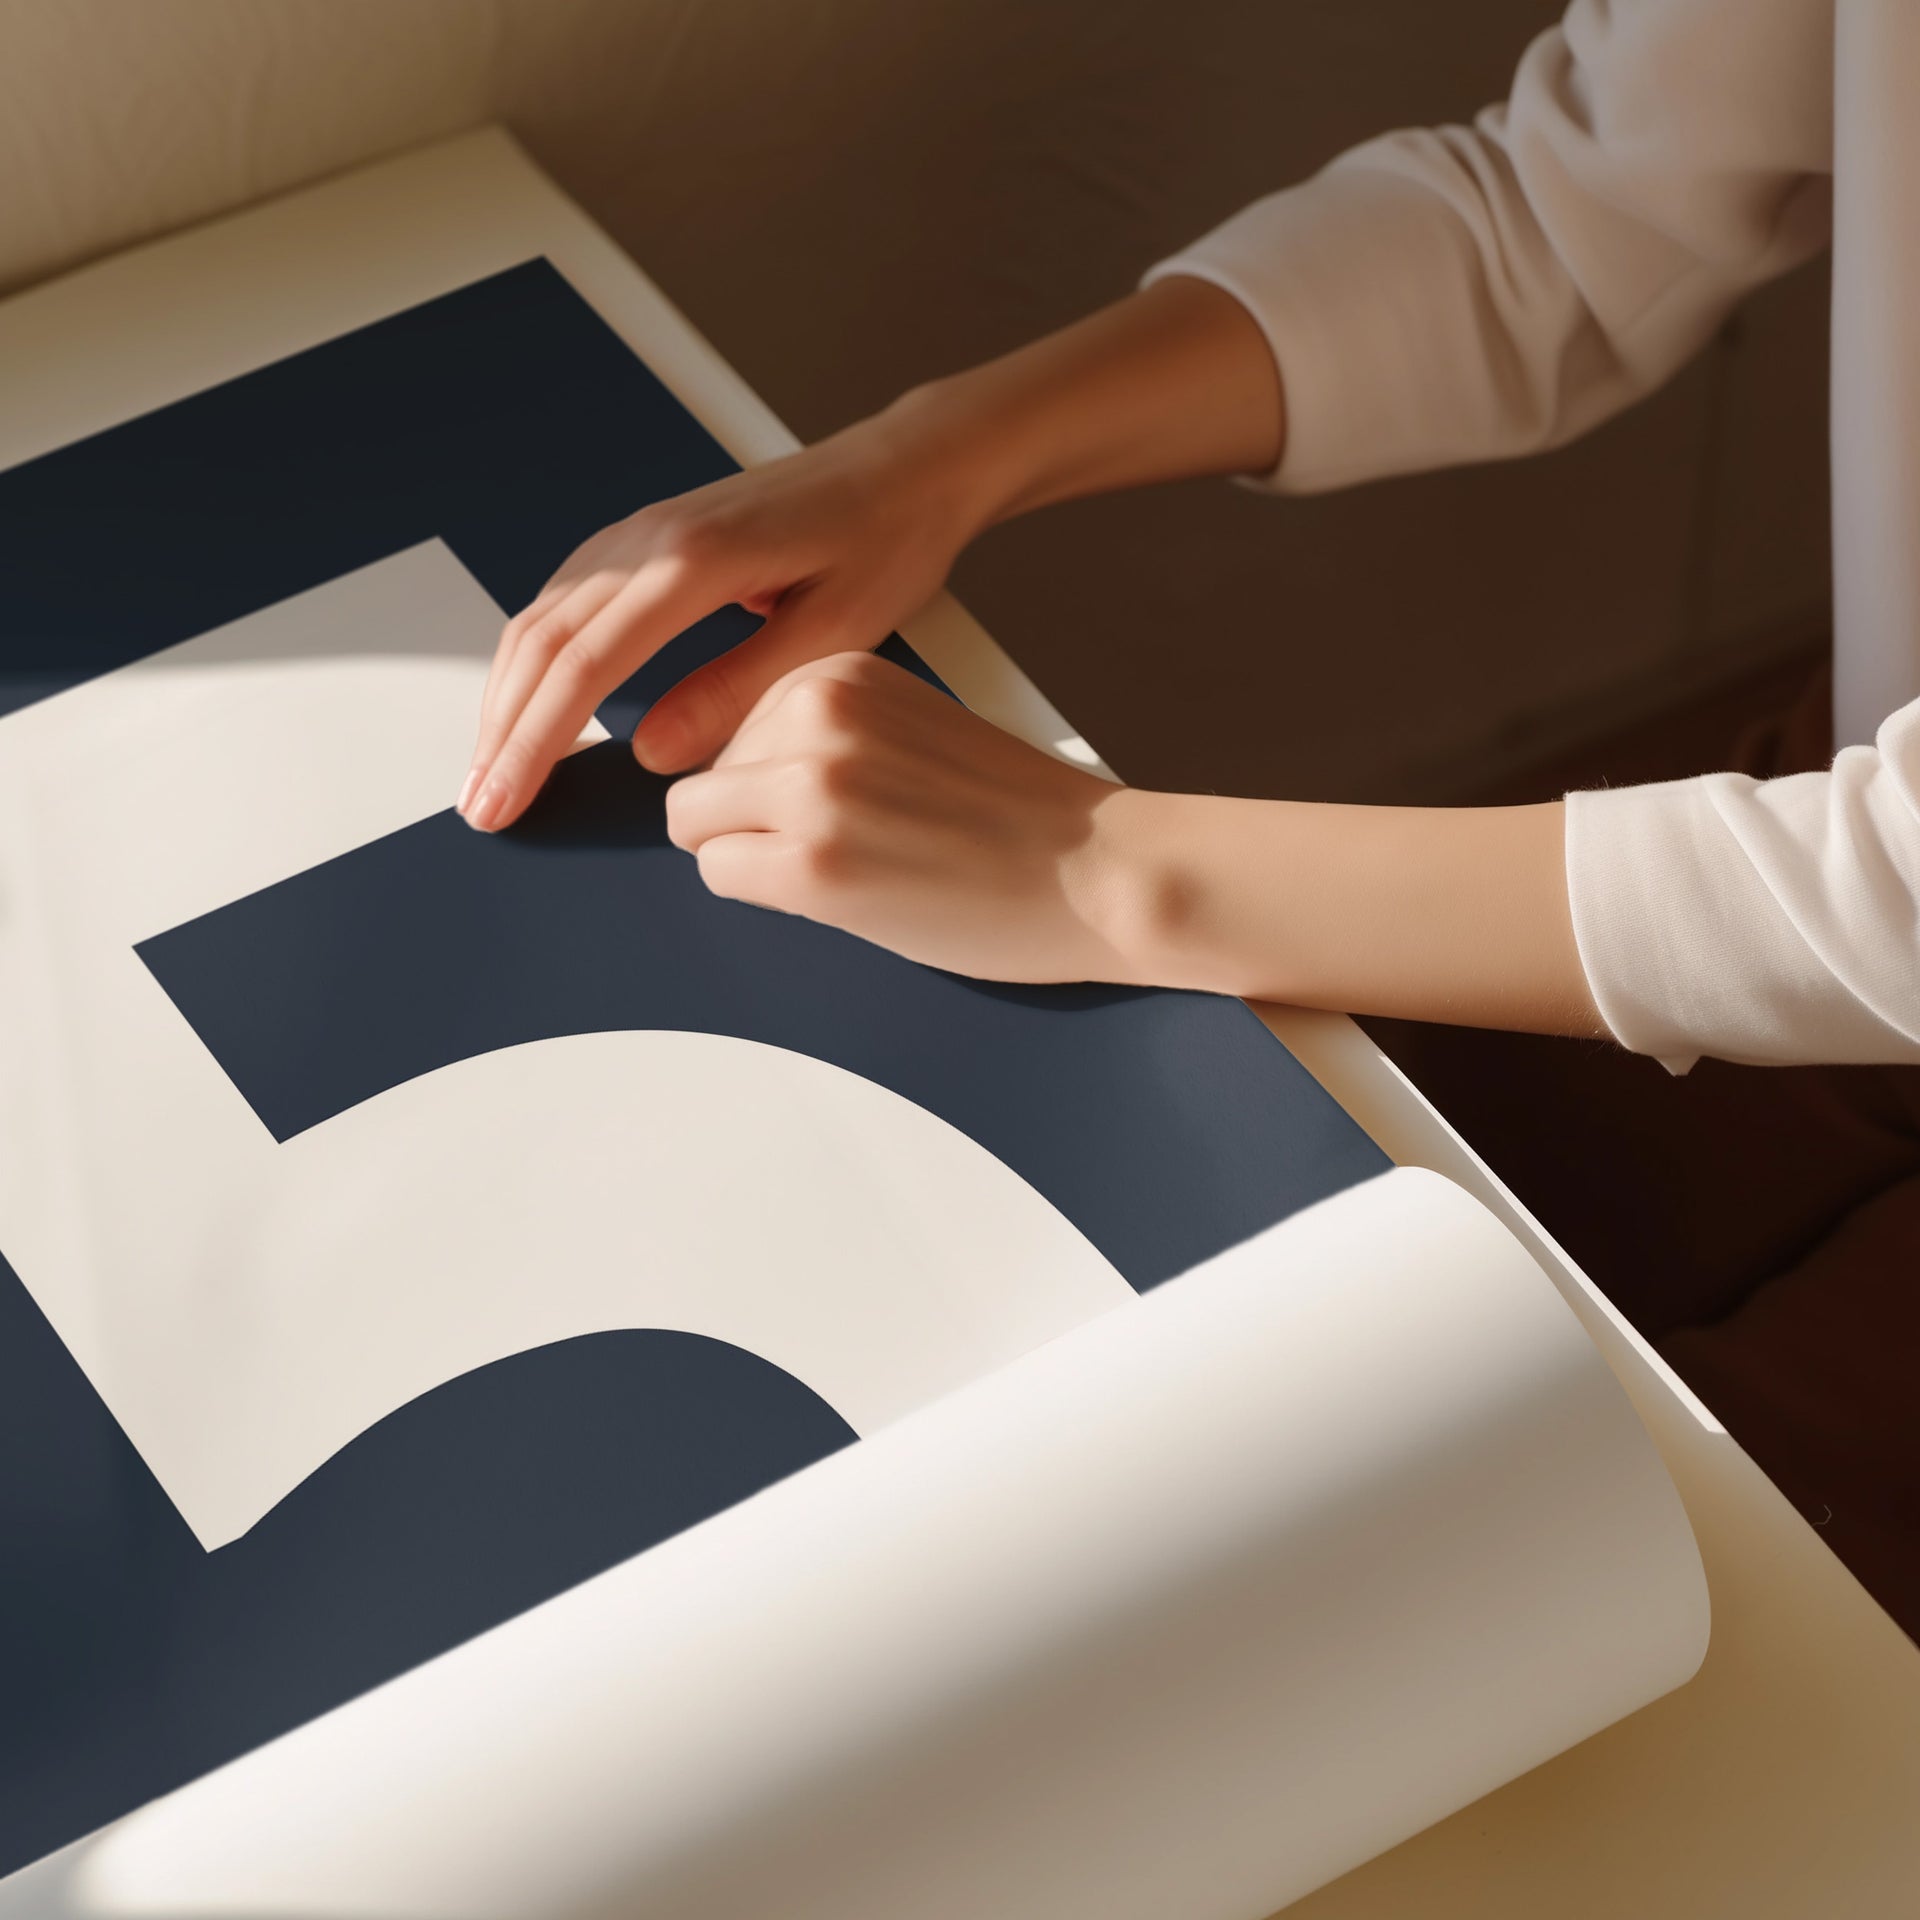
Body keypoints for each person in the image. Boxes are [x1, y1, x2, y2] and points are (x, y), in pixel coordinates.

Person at [458, 0, 1920, 1628]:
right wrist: (932, 459)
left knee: (1548, 1615)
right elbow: (1585, 216)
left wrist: (1100, 862)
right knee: (1286, 1318)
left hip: (1864, 886)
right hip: (1832, 827)